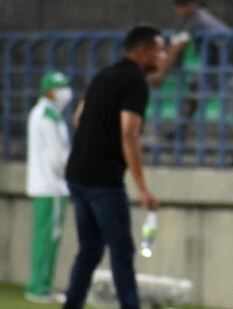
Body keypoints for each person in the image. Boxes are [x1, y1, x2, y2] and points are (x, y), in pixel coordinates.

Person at [63, 26, 164, 309]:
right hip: (103, 181)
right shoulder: (134, 82)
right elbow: (129, 133)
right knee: (121, 252)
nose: (163, 56)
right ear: (143, 52)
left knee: (90, 250)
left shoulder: (103, 74)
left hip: (77, 174)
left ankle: (72, 304)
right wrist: (142, 188)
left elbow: (79, 118)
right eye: (159, 49)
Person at [150, 0, 233, 145]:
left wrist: (161, 75)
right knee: (194, 90)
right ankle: (180, 131)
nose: (180, 8)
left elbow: (177, 48)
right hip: (217, 67)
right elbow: (176, 45)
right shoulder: (189, 19)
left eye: (184, 4)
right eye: (178, 5)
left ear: (194, 4)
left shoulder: (198, 17)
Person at [25, 71, 73, 304]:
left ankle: (42, 286)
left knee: (45, 238)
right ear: (48, 90)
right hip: (51, 185)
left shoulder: (47, 113)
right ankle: (39, 287)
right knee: (47, 238)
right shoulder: (47, 115)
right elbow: (57, 156)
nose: (65, 91)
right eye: (60, 87)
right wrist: (72, 173)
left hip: (46, 185)